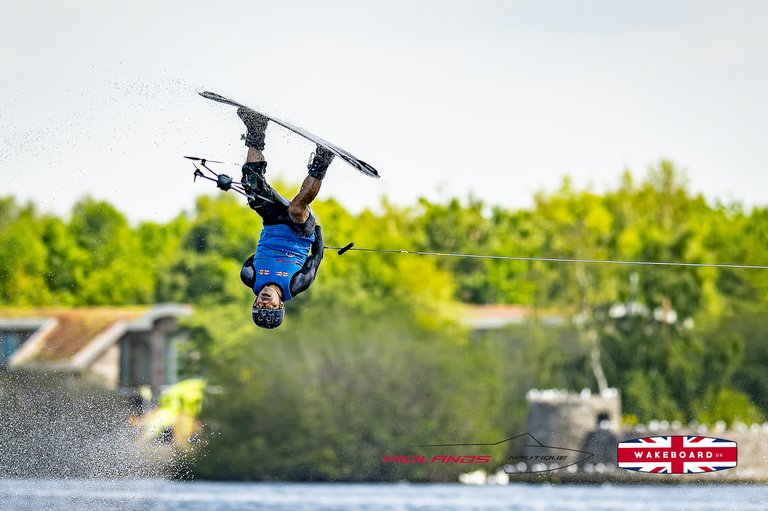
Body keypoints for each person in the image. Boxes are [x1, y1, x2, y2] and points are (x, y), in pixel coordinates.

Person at [236, 107, 334, 329]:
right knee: (297, 209)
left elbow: (258, 254)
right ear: (281, 305)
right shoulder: (296, 284)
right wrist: (316, 228)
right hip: (302, 230)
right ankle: (322, 160)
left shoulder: (249, 275)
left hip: (272, 223)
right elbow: (317, 256)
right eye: (270, 307)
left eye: (259, 305)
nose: (265, 302)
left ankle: (256, 128)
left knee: (252, 189)